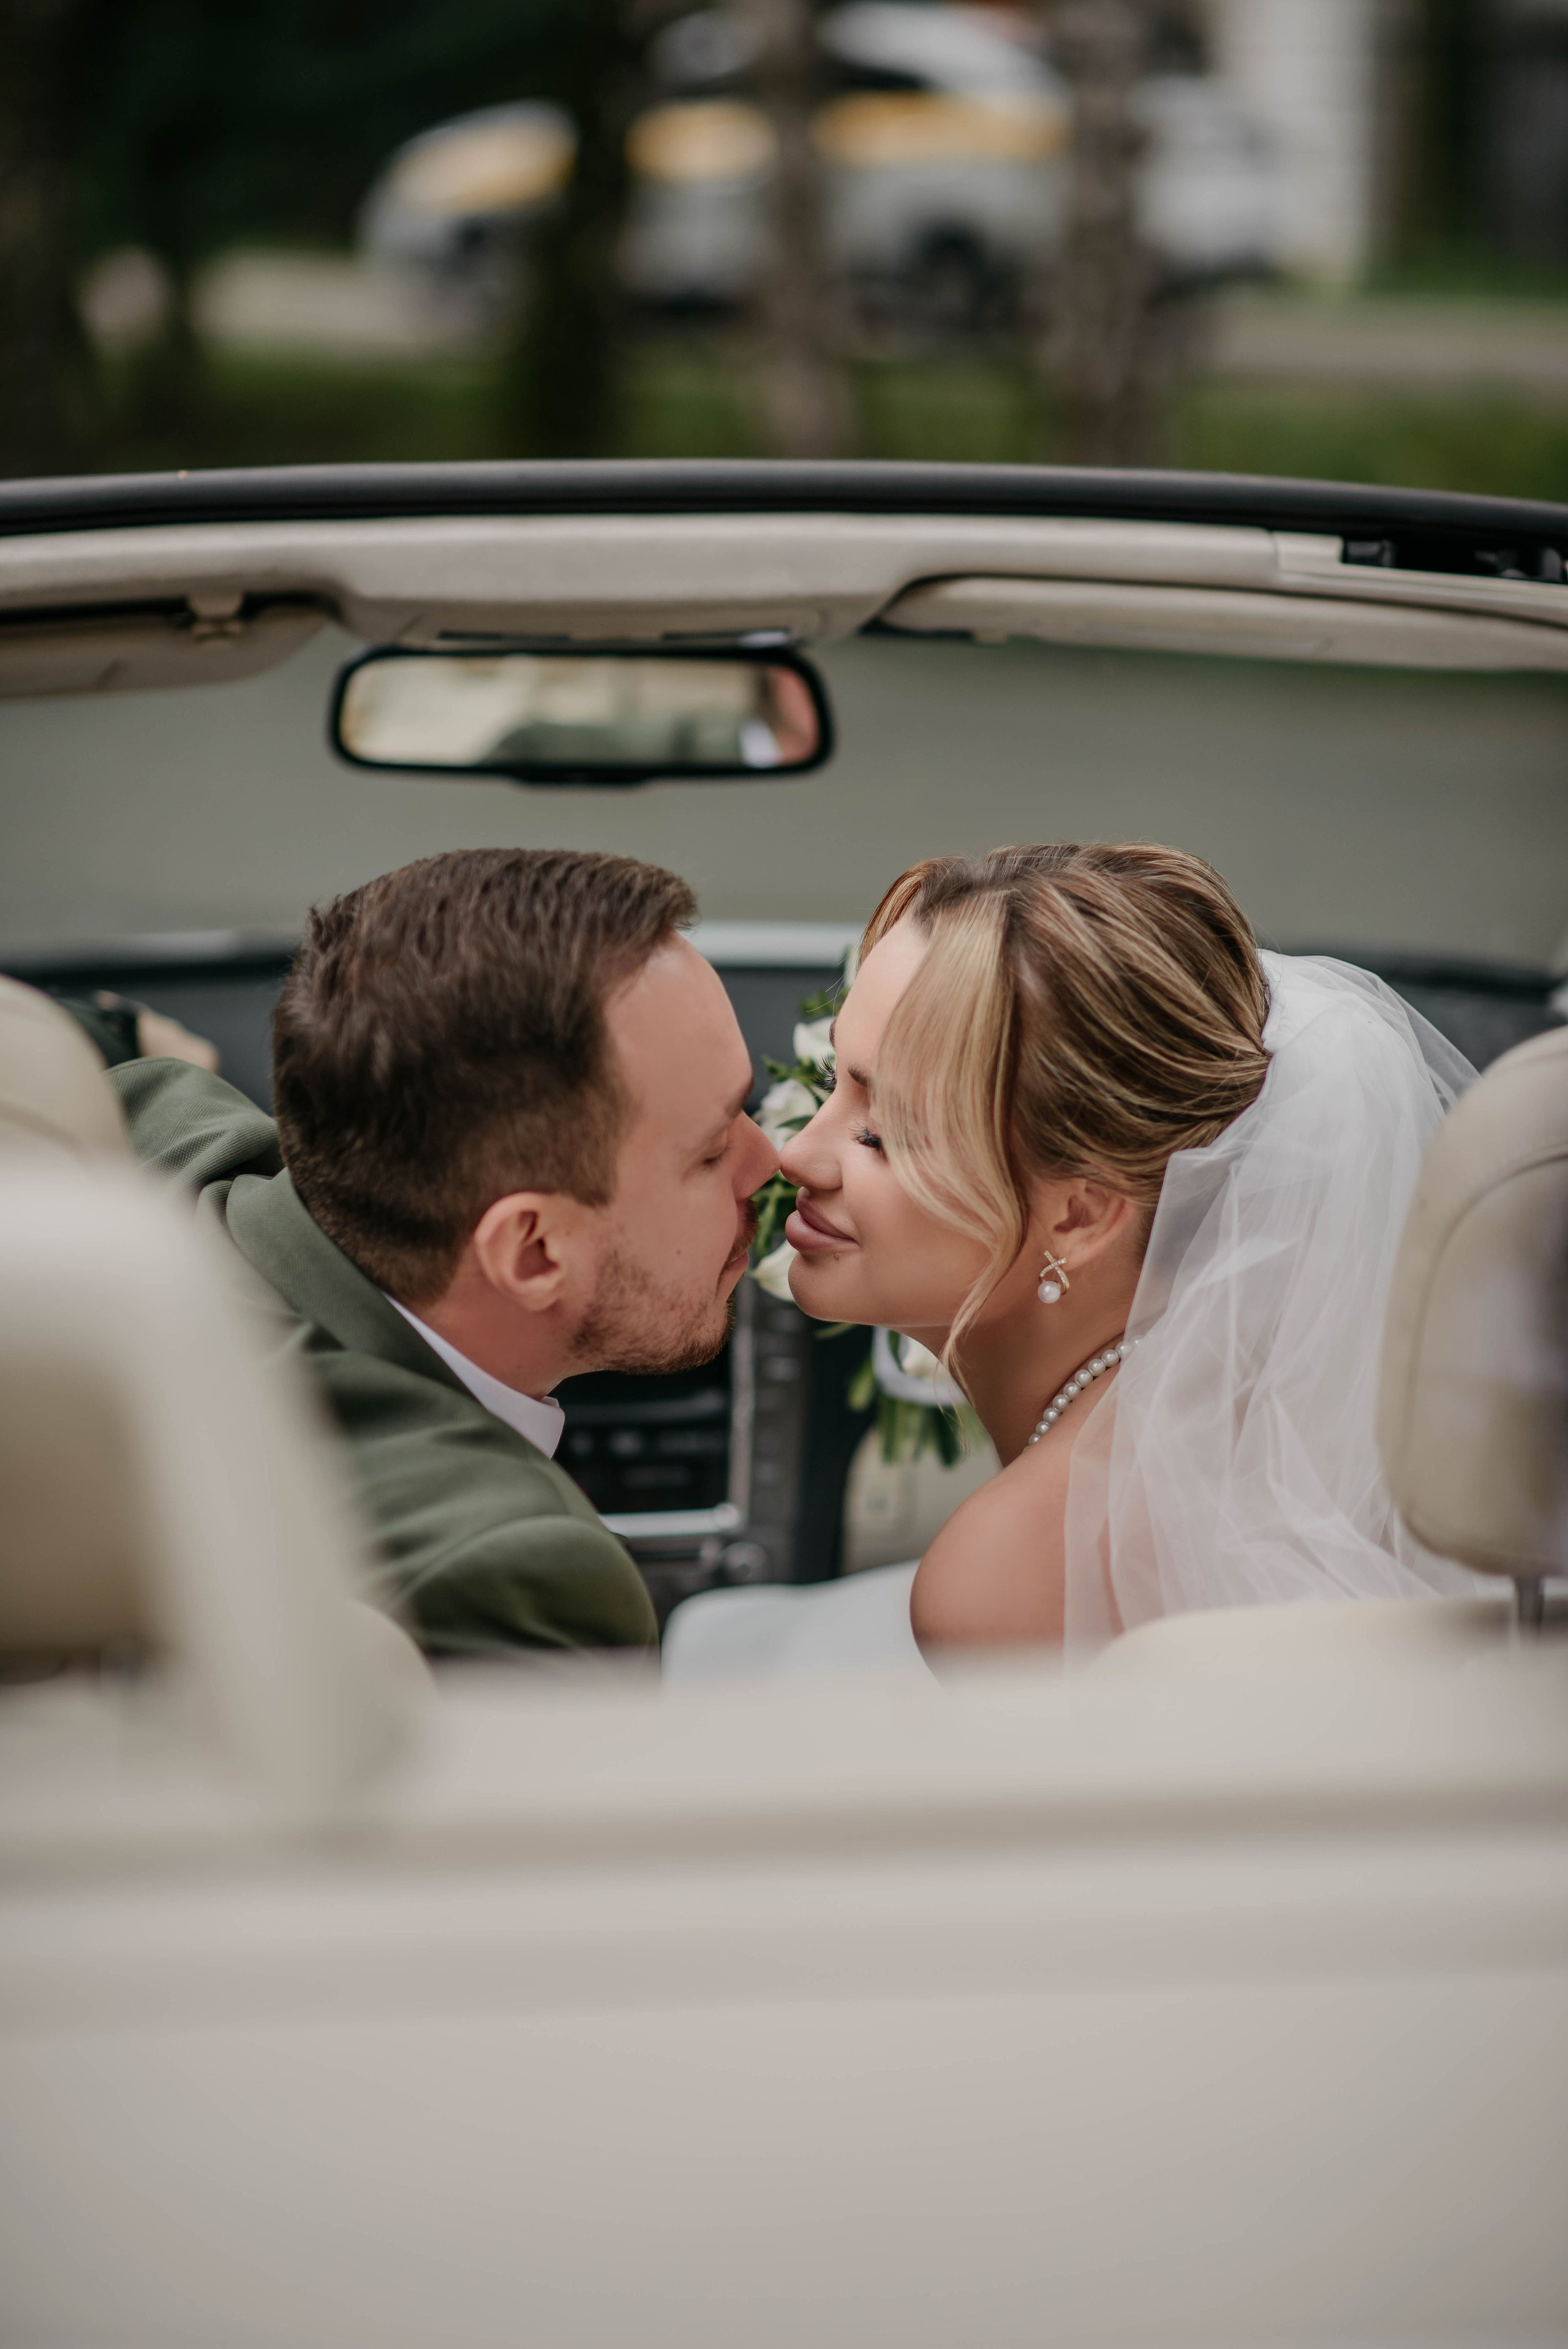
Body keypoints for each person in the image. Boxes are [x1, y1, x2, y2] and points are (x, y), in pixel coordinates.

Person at [68, 848, 776, 1659]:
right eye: (714, 1150)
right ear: (535, 1253)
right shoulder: (512, 1566)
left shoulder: (134, 1125)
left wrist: (126, 1029)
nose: (774, 1164)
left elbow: (61, 1041)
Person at [779, 842, 1480, 1655]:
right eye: (834, 1078)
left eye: (880, 1131)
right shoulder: (1235, 1405)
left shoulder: (1003, 1580)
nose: (794, 1154)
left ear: (1080, 1216)